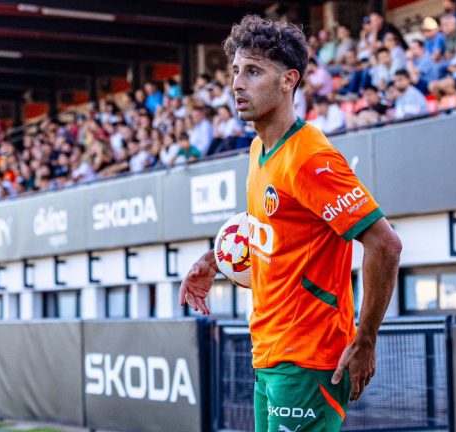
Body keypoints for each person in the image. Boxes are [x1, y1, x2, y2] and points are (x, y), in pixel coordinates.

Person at [179, 15, 402, 432]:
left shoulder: (310, 158)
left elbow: (385, 244)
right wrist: (215, 260)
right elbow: (269, 223)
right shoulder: (257, 149)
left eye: (253, 72)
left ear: (288, 81)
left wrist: (366, 338)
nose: (237, 85)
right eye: (235, 72)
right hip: (269, 352)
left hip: (308, 358)